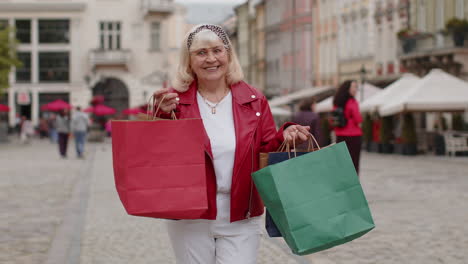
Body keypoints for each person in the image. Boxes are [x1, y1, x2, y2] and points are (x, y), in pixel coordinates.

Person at [152, 24, 310, 264]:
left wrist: (286, 133)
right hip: (190, 215)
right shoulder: (174, 101)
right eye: (201, 53)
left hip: (240, 214)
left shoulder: (254, 100)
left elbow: (266, 149)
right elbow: (159, 152)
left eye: (217, 50)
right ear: (189, 61)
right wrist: (160, 114)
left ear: (228, 55)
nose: (211, 59)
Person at [332, 80, 363, 174]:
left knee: (341, 162)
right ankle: (353, 184)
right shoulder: (352, 102)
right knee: (354, 162)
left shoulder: (337, 101)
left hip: (340, 135)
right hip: (353, 136)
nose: (356, 89)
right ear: (348, 88)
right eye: (354, 87)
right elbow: (358, 119)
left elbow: (333, 119)